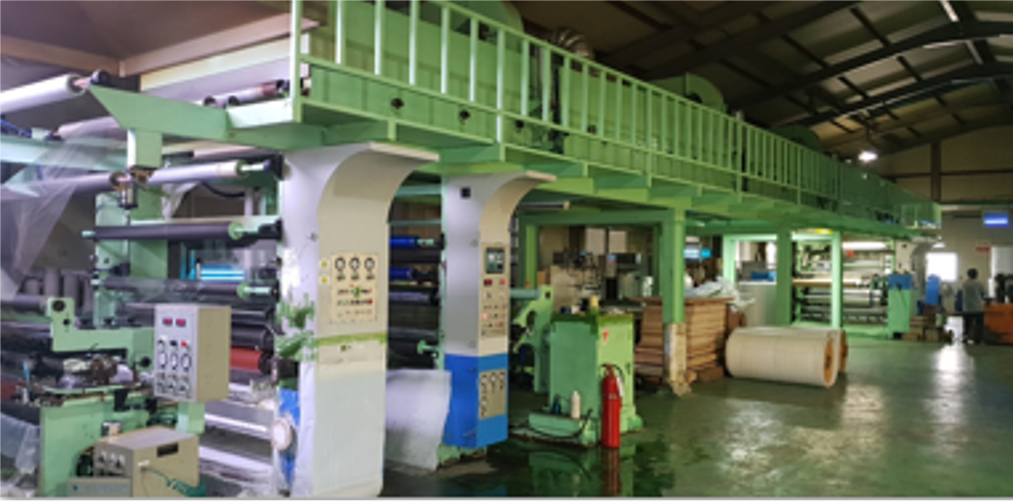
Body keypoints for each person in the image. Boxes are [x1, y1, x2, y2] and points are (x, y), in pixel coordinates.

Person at [962, 268, 987, 344]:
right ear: (976, 275)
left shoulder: (965, 283)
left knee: (967, 324)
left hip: (967, 307)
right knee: (979, 324)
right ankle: (978, 339)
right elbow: (983, 294)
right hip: (978, 307)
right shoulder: (979, 283)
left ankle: (965, 337)